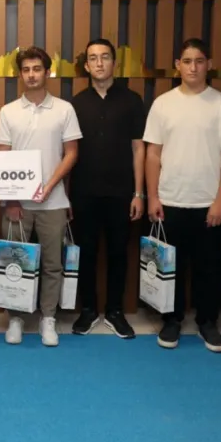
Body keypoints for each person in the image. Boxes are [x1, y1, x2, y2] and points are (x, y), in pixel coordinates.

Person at [143, 38, 221, 352]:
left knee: (209, 267)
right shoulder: (163, 104)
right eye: (187, 61)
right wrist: (152, 196)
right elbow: (152, 154)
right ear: (178, 65)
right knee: (171, 266)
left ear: (208, 64)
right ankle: (171, 320)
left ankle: (207, 321)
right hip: (170, 200)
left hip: (209, 203)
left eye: (199, 61)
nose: (193, 67)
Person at [0, 46, 81, 346]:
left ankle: (48, 318)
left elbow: (71, 154)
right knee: (14, 261)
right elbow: (2, 157)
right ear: (20, 74)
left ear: (47, 72)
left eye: (37, 69)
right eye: (26, 70)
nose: (31, 75)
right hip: (17, 204)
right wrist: (11, 200)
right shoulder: (8, 111)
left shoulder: (64, 109)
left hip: (53, 202)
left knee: (53, 264)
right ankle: (16, 318)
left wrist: (50, 185)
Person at [69, 38, 145, 339]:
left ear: (114, 62)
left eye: (105, 57)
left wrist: (139, 193)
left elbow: (139, 149)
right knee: (85, 253)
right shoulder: (75, 104)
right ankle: (88, 310)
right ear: (86, 66)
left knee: (118, 253)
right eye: (93, 58)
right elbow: (69, 152)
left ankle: (115, 311)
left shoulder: (133, 100)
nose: (99, 63)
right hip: (83, 192)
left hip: (121, 193)